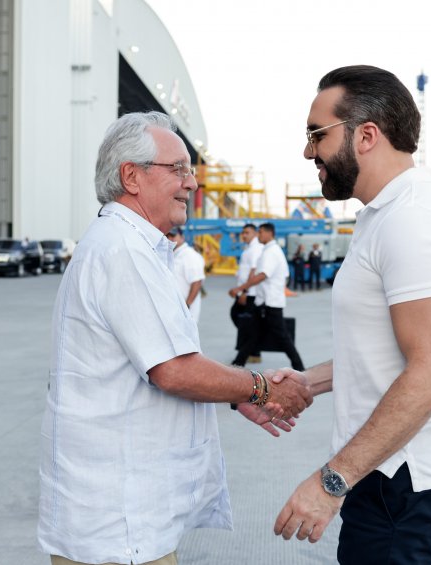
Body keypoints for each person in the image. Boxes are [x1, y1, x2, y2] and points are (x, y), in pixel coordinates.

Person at [37, 111, 312, 565]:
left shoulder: (125, 244)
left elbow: (166, 361)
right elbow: (173, 370)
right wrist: (260, 388)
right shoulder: (124, 249)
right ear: (132, 176)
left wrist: (229, 393)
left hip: (118, 519)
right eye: (179, 168)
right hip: (119, 528)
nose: (193, 183)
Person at [272, 65, 431, 564]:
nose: (307, 151)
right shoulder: (382, 216)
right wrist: (306, 382)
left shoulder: (413, 223)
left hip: (401, 482)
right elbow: (386, 357)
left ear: (367, 135)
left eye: (316, 135)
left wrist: (330, 482)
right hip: (384, 471)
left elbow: (430, 375)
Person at [229, 222, 305, 371]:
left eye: (262, 231)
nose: (259, 234)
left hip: (271, 303)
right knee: (253, 333)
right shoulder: (267, 250)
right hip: (263, 302)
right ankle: (238, 364)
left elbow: (262, 275)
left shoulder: (272, 252)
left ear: (270, 233)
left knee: (282, 337)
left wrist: (240, 288)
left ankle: (300, 368)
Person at [229, 223, 263, 364]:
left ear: (255, 233)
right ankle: (254, 351)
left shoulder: (255, 249)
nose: (244, 235)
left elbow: (253, 271)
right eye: (243, 232)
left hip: (250, 293)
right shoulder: (249, 248)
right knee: (241, 318)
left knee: (242, 319)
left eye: (247, 232)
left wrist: (244, 291)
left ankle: (242, 358)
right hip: (246, 291)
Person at [167, 227, 205, 323]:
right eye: (167, 236)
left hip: (185, 311)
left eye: (173, 235)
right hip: (174, 309)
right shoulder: (174, 254)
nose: (170, 239)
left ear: (182, 237)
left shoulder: (190, 256)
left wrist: (187, 306)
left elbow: (197, 282)